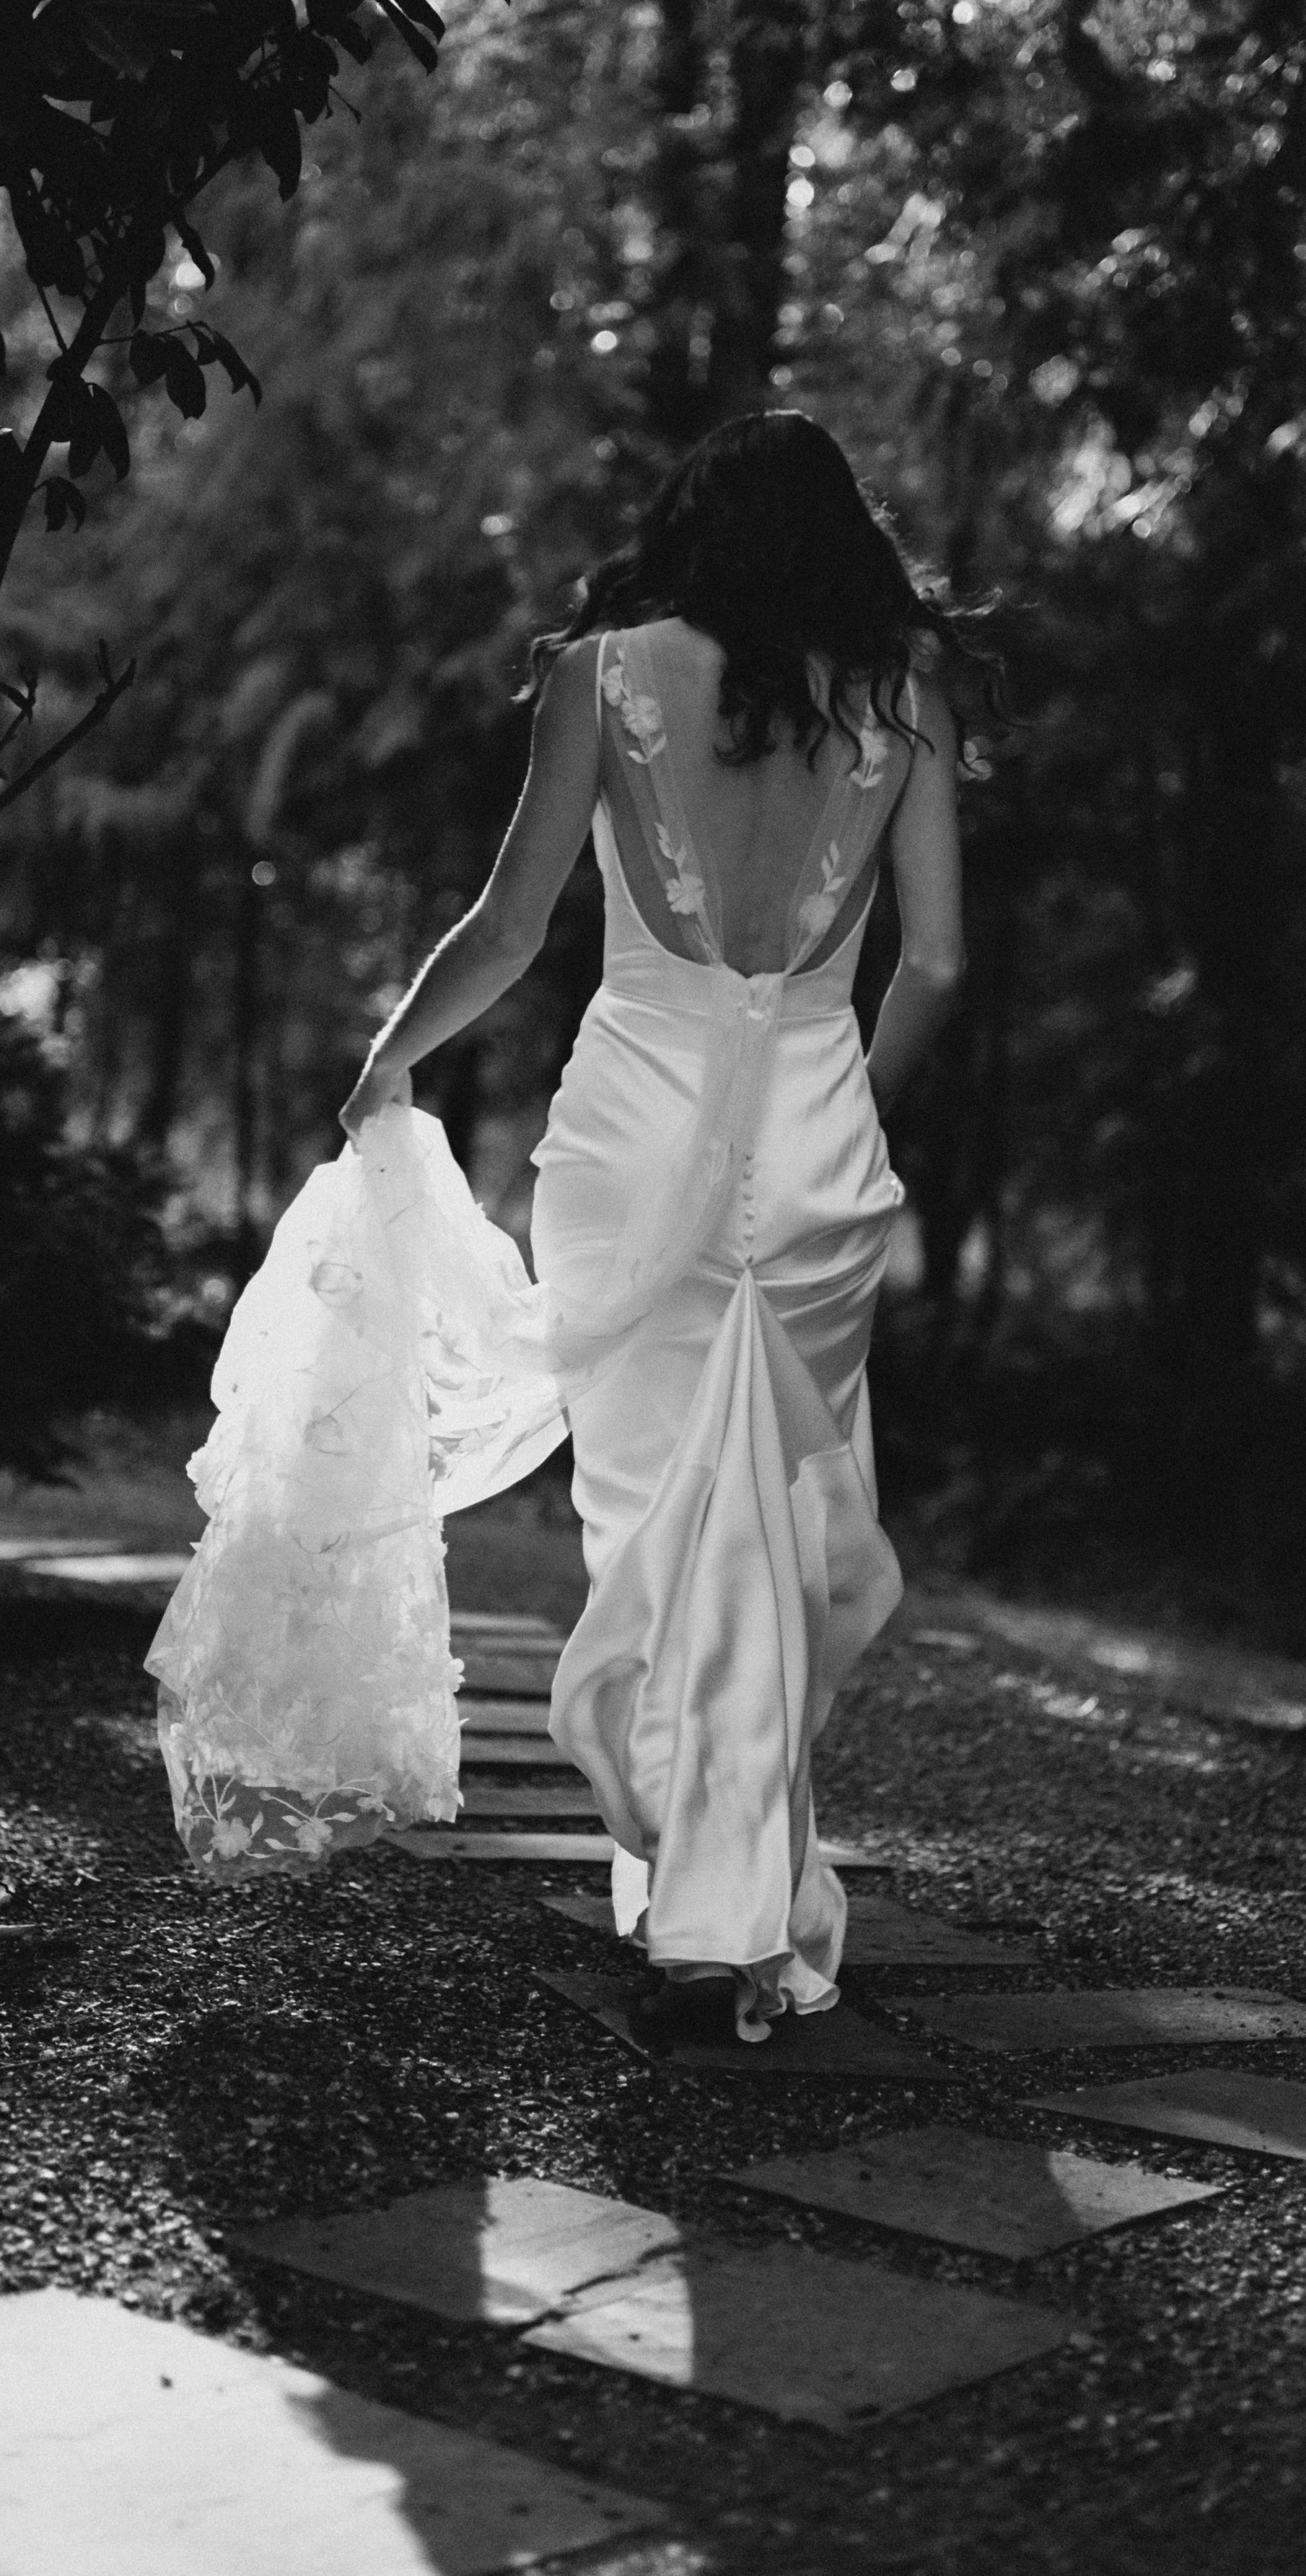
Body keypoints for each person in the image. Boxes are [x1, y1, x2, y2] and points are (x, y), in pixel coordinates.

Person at [330, 410, 985, 2047]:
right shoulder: (900, 685)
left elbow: (508, 918)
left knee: (651, 1522)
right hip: (816, 1132)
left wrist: (391, 1055)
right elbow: (940, 961)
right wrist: (844, 1091)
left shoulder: (606, 673)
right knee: (766, 1519)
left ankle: (701, 1901)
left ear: (688, 533)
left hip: (630, 1130)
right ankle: (722, 1899)